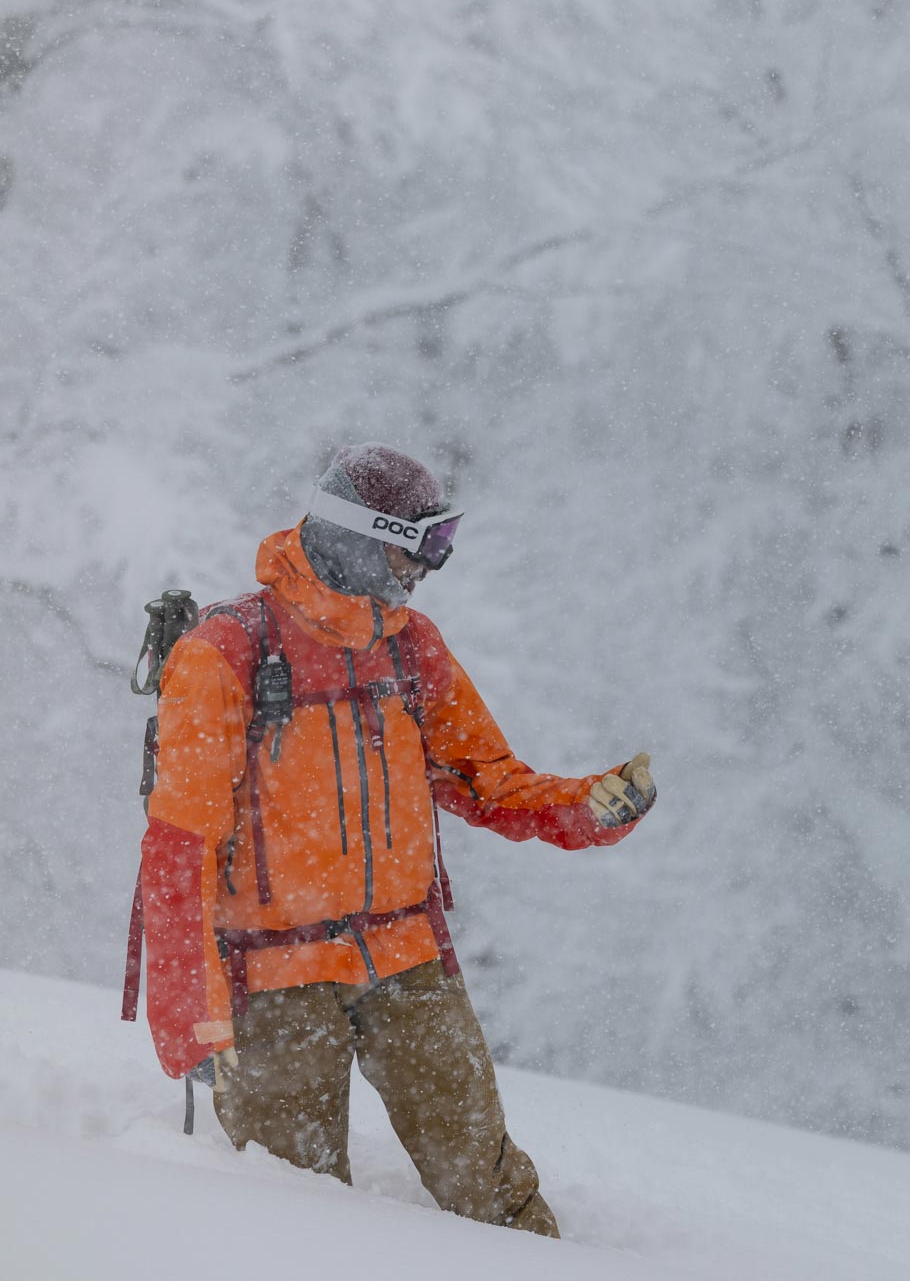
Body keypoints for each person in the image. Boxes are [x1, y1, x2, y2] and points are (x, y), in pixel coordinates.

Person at [129, 443, 654, 1237]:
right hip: (272, 979)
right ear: (358, 540)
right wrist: (191, 1020)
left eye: (439, 544)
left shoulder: (411, 646)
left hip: (408, 960)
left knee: (490, 1186)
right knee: (295, 1210)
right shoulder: (226, 653)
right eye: (419, 546)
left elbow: (488, 779)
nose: (428, 567)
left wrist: (588, 807)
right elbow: (180, 848)